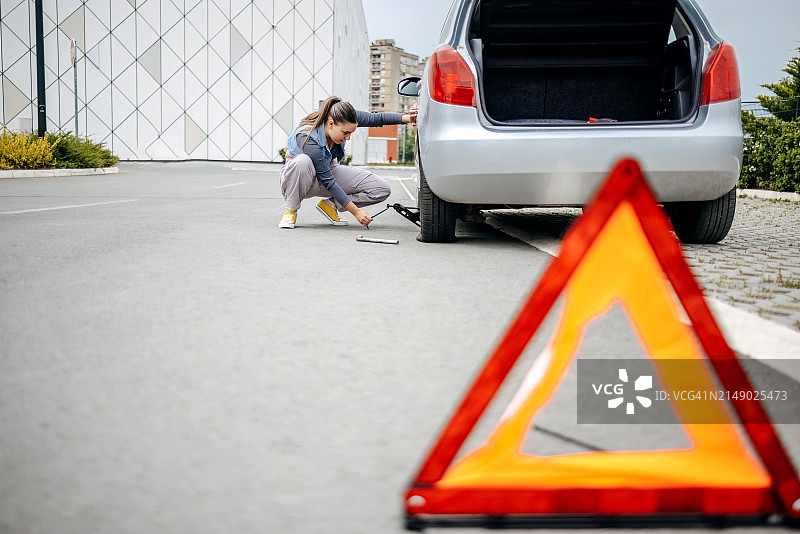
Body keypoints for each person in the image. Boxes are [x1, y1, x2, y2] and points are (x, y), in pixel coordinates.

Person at [278, 96, 417, 229]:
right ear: (331, 124)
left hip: (328, 171)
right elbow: (328, 181)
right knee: (302, 162)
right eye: (345, 133)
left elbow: (376, 118)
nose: (348, 138)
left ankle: (330, 205)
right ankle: (291, 210)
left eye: (350, 133)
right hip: (301, 180)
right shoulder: (307, 136)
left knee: (381, 188)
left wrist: (409, 118)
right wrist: (356, 212)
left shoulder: (345, 117)